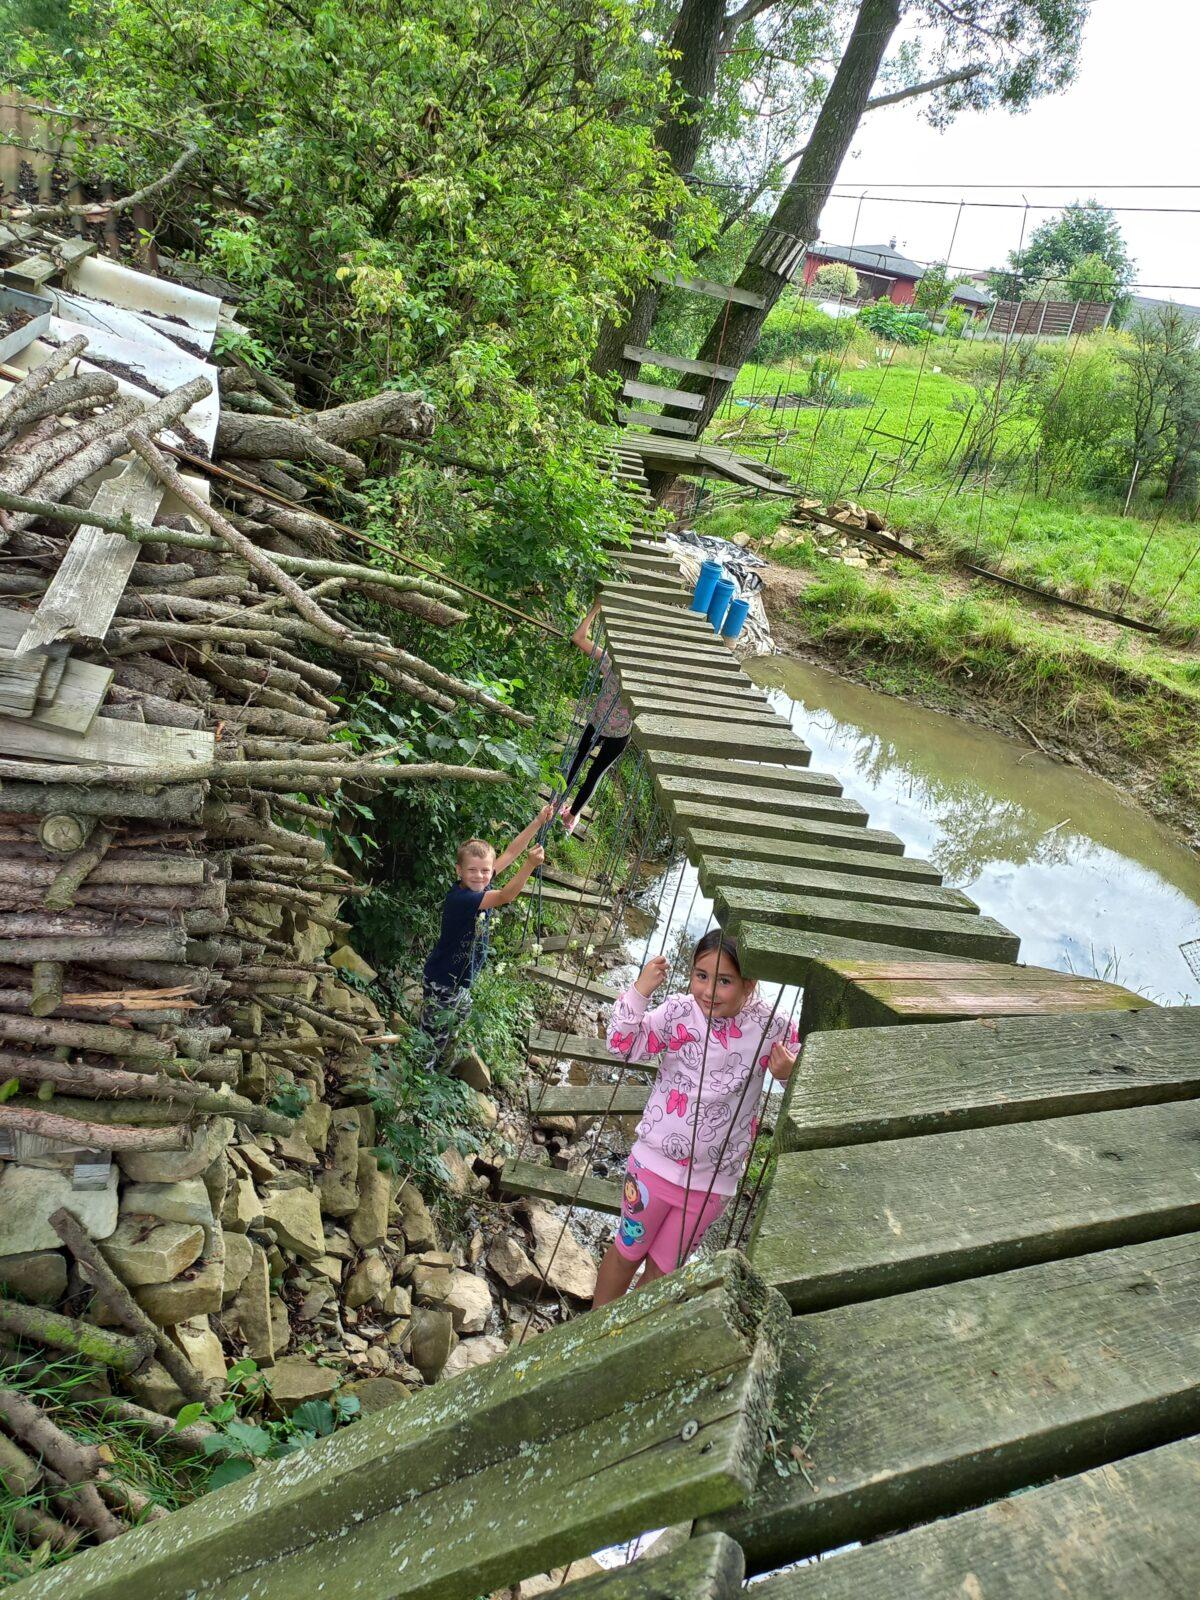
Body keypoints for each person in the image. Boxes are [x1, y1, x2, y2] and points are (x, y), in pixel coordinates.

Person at [592, 930, 798, 1306]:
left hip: (711, 1184)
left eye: (724, 981)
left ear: (749, 983)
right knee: (627, 1251)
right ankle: (589, 1332)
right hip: (652, 1167)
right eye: (701, 975)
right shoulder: (677, 1012)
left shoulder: (773, 1027)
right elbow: (622, 1046)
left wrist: (787, 1074)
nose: (708, 990)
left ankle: (621, 1340)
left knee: (662, 1274)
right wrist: (639, 992)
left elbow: (804, 1084)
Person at [420, 806, 552, 1067]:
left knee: (456, 1022)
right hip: (443, 981)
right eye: (473, 870)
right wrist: (529, 865)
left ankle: (442, 1070)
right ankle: (420, 1079)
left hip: (460, 980)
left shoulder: (480, 881)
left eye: (485, 871)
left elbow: (512, 851)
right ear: (459, 871)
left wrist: (538, 821)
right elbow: (505, 896)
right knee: (432, 1036)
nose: (480, 876)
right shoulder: (464, 898)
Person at [555, 599, 632, 835]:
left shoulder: (610, 662)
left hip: (598, 723)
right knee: (594, 774)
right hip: (618, 734)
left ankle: (557, 804)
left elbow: (578, 637)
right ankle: (570, 816)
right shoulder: (643, 683)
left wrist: (595, 608)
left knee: (577, 760)